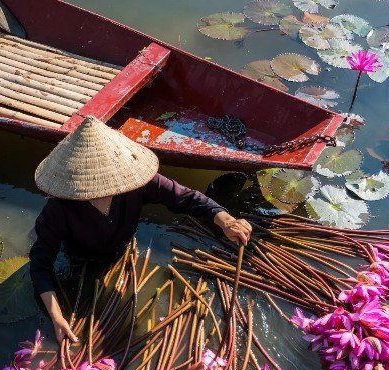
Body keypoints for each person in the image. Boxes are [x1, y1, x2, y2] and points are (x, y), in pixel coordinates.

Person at [29, 116, 252, 343]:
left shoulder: (136, 183)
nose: (104, 190)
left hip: (120, 248)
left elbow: (185, 197)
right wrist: (56, 316)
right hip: (80, 257)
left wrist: (225, 220)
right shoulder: (59, 208)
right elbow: (39, 265)